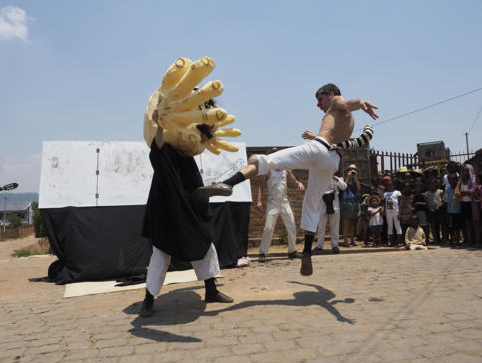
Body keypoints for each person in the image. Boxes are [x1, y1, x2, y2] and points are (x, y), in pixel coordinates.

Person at [198, 83, 378, 276]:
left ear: (331, 94)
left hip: (318, 148)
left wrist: (360, 102)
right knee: (311, 203)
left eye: (320, 99)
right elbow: (338, 131)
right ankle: (307, 252)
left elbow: (345, 102)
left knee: (265, 161)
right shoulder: (349, 121)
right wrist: (356, 108)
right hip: (332, 160)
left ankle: (228, 183)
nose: (318, 105)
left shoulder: (335, 101)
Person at [140, 103, 233, 317]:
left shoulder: (188, 158)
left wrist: (210, 128)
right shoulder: (168, 152)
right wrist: (161, 124)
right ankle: (148, 300)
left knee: (205, 247)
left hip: (190, 211)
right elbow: (158, 147)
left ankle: (211, 290)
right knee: (161, 256)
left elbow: (203, 137)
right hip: (166, 212)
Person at [257, 161, 305, 262]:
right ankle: (262, 253)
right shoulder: (268, 170)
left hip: (284, 201)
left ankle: (292, 251)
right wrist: (259, 201)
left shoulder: (286, 170)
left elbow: (294, 180)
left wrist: (299, 183)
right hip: (272, 202)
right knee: (268, 228)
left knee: (291, 226)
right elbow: (261, 186)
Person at [314, 175, 347, 254]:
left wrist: (337, 179)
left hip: (334, 207)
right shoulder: (319, 178)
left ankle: (335, 246)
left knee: (335, 227)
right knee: (321, 227)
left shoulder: (336, 178)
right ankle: (319, 246)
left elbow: (344, 187)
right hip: (322, 207)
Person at [340, 164, 361, 247]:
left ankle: (352, 240)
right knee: (346, 223)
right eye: (350, 169)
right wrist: (348, 178)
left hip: (354, 202)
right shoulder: (343, 178)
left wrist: (355, 179)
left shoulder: (356, 180)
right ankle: (345, 241)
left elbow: (359, 189)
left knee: (353, 223)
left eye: (354, 170)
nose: (352, 171)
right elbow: (343, 187)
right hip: (345, 202)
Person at [458, 164, 475, 247]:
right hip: (463, 204)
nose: (465, 172)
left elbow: (474, 189)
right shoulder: (460, 180)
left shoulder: (473, 179)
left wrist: (467, 192)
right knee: (466, 223)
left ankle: (473, 240)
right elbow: (458, 191)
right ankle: (468, 240)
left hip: (472, 204)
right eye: (464, 170)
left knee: (473, 222)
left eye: (467, 170)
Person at [425, 177, 444, 245]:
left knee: (439, 225)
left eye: (433, 183)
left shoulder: (440, 191)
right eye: (430, 183)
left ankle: (441, 239)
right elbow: (426, 203)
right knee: (433, 226)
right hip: (431, 211)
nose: (432, 185)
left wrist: (439, 206)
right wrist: (430, 209)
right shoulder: (427, 193)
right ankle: (435, 239)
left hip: (439, 211)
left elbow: (443, 200)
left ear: (436, 184)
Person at [384, 179, 402, 247]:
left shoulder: (397, 192)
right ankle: (391, 242)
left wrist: (400, 212)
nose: (389, 186)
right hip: (388, 212)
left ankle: (399, 242)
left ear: (394, 186)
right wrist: (384, 211)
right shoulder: (385, 193)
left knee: (397, 226)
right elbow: (384, 203)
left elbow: (400, 202)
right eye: (388, 185)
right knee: (390, 226)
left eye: (391, 185)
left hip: (396, 211)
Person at [445, 173, 462, 248]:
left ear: (457, 180)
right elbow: (446, 199)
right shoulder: (448, 189)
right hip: (450, 211)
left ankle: (457, 241)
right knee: (451, 227)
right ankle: (452, 241)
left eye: (454, 180)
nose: (452, 181)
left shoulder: (458, 188)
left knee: (457, 228)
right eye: (450, 180)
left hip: (458, 211)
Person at [472, 173, 482, 248]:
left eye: (477, 179)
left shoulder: (478, 187)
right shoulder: (478, 187)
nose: (475, 180)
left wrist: (478, 199)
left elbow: (476, 196)